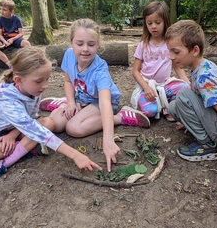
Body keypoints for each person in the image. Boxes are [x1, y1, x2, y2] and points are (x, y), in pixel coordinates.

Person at [0, 47, 101, 180]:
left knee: (48, 123)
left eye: (47, 79)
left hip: (18, 130)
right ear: (18, 80)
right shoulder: (7, 102)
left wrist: (13, 134)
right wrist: (75, 155)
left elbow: (31, 118)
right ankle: (20, 153)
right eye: (39, 81)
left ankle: (6, 161)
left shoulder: (33, 90)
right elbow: (36, 130)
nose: (45, 85)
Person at [39, 18, 150, 172]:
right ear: (71, 42)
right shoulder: (69, 55)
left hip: (102, 102)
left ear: (98, 45)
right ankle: (66, 102)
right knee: (56, 125)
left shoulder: (100, 70)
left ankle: (120, 117)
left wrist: (108, 140)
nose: (85, 49)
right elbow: (68, 81)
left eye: (91, 44)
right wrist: (71, 103)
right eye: (79, 44)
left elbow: (105, 103)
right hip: (80, 97)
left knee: (73, 128)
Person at [165, 20, 217, 176]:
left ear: (194, 50)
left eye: (176, 52)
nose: (171, 57)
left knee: (182, 94)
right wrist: (188, 118)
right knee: (174, 107)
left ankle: (209, 146)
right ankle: (205, 135)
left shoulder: (204, 77)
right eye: (170, 52)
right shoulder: (201, 66)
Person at [131, 1, 190, 122]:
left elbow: (177, 67)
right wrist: (146, 87)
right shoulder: (143, 45)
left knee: (185, 88)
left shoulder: (170, 45)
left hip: (165, 85)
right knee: (150, 112)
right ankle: (155, 105)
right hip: (147, 86)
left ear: (165, 22)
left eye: (157, 22)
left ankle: (167, 106)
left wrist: (189, 84)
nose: (153, 26)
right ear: (145, 24)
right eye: (149, 23)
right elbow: (135, 71)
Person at [0, 0, 31, 68]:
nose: (1, 11)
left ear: (11, 11)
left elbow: (21, 33)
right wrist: (4, 42)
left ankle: (29, 62)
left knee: (26, 43)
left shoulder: (17, 19)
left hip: (15, 38)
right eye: (0, 9)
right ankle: (9, 64)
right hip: (4, 38)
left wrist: (12, 39)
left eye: (4, 10)